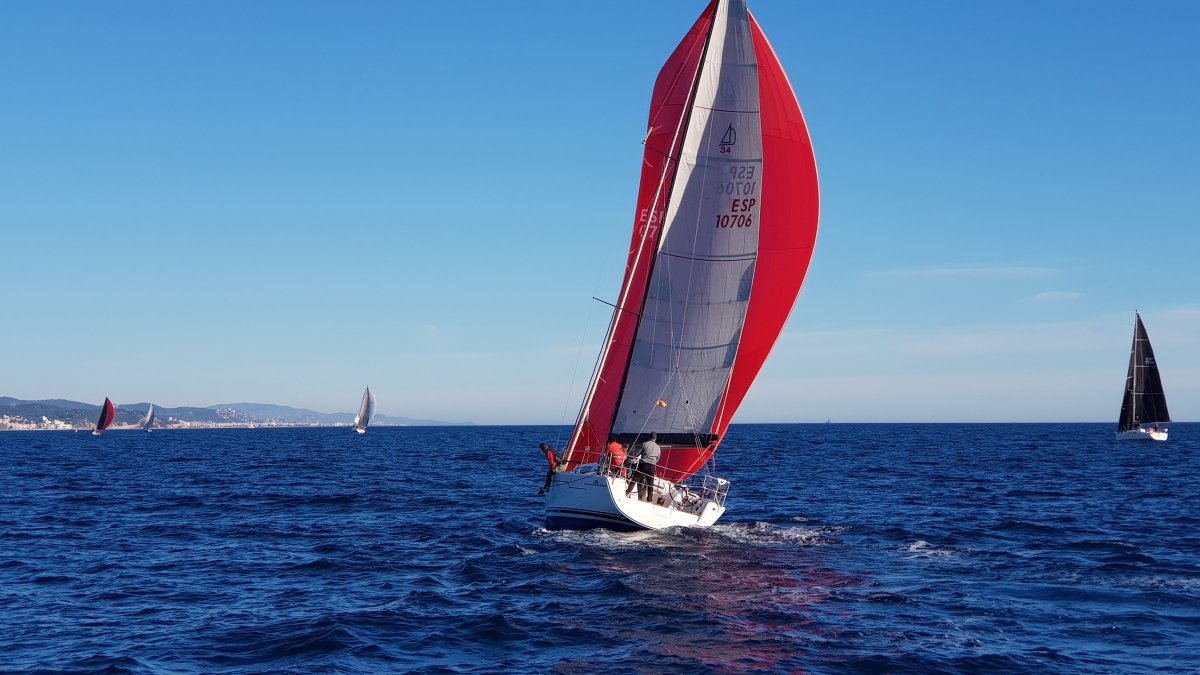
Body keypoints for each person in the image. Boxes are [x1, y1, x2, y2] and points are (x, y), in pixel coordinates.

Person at [625, 432, 661, 502]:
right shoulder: (658, 448)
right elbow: (658, 458)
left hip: (643, 465)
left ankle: (628, 491)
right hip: (652, 467)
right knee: (650, 484)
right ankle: (649, 499)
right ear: (655, 438)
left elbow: (638, 453)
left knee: (635, 479)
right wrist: (653, 463)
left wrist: (630, 458)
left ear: (649, 437)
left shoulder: (645, 444)